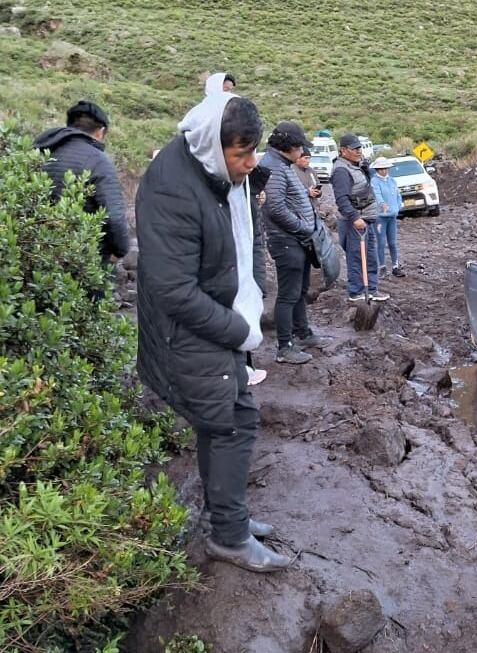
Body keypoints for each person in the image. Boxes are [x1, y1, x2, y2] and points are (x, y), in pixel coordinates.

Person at [136, 92, 291, 572]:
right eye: (241, 154)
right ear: (212, 144)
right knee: (230, 424)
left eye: (253, 152)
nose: (249, 164)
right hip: (185, 335)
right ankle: (228, 536)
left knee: (228, 420)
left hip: (203, 328)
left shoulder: (207, 171)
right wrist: (238, 329)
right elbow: (172, 290)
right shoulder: (172, 188)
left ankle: (227, 516)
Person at [34, 100, 130, 268]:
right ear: (100, 132)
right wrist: (121, 250)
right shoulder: (98, 161)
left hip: (38, 254)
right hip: (84, 260)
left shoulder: (39, 151)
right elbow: (114, 217)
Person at [260, 121, 325, 364]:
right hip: (286, 240)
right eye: (300, 148)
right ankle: (285, 347)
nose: (302, 153)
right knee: (288, 294)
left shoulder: (281, 164)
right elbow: (274, 207)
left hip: (296, 239)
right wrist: (302, 226)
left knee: (299, 290)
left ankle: (303, 334)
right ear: (289, 147)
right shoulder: (273, 167)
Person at [331, 133, 390, 302]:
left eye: (360, 148)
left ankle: (371, 289)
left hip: (366, 220)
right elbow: (341, 199)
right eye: (355, 149)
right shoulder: (341, 170)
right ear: (343, 151)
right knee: (357, 257)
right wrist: (355, 217)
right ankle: (356, 292)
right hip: (355, 222)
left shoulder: (355, 166)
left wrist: (364, 167)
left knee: (371, 257)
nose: (359, 151)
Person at [369, 157, 405, 278]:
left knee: (393, 243)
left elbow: (398, 195)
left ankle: (395, 266)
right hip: (380, 217)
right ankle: (382, 267)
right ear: (377, 169)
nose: (384, 171)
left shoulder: (392, 181)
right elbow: (377, 196)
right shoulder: (374, 181)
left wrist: (398, 207)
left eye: (385, 168)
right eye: (381, 169)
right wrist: (383, 205)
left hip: (392, 216)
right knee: (381, 242)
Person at [292, 146, 324, 218]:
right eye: (306, 158)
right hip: (298, 211)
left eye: (309, 158)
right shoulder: (291, 171)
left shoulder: (311, 171)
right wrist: (307, 192)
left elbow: (317, 185)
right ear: (298, 158)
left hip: (313, 209)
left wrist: (318, 192)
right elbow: (291, 192)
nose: (308, 161)